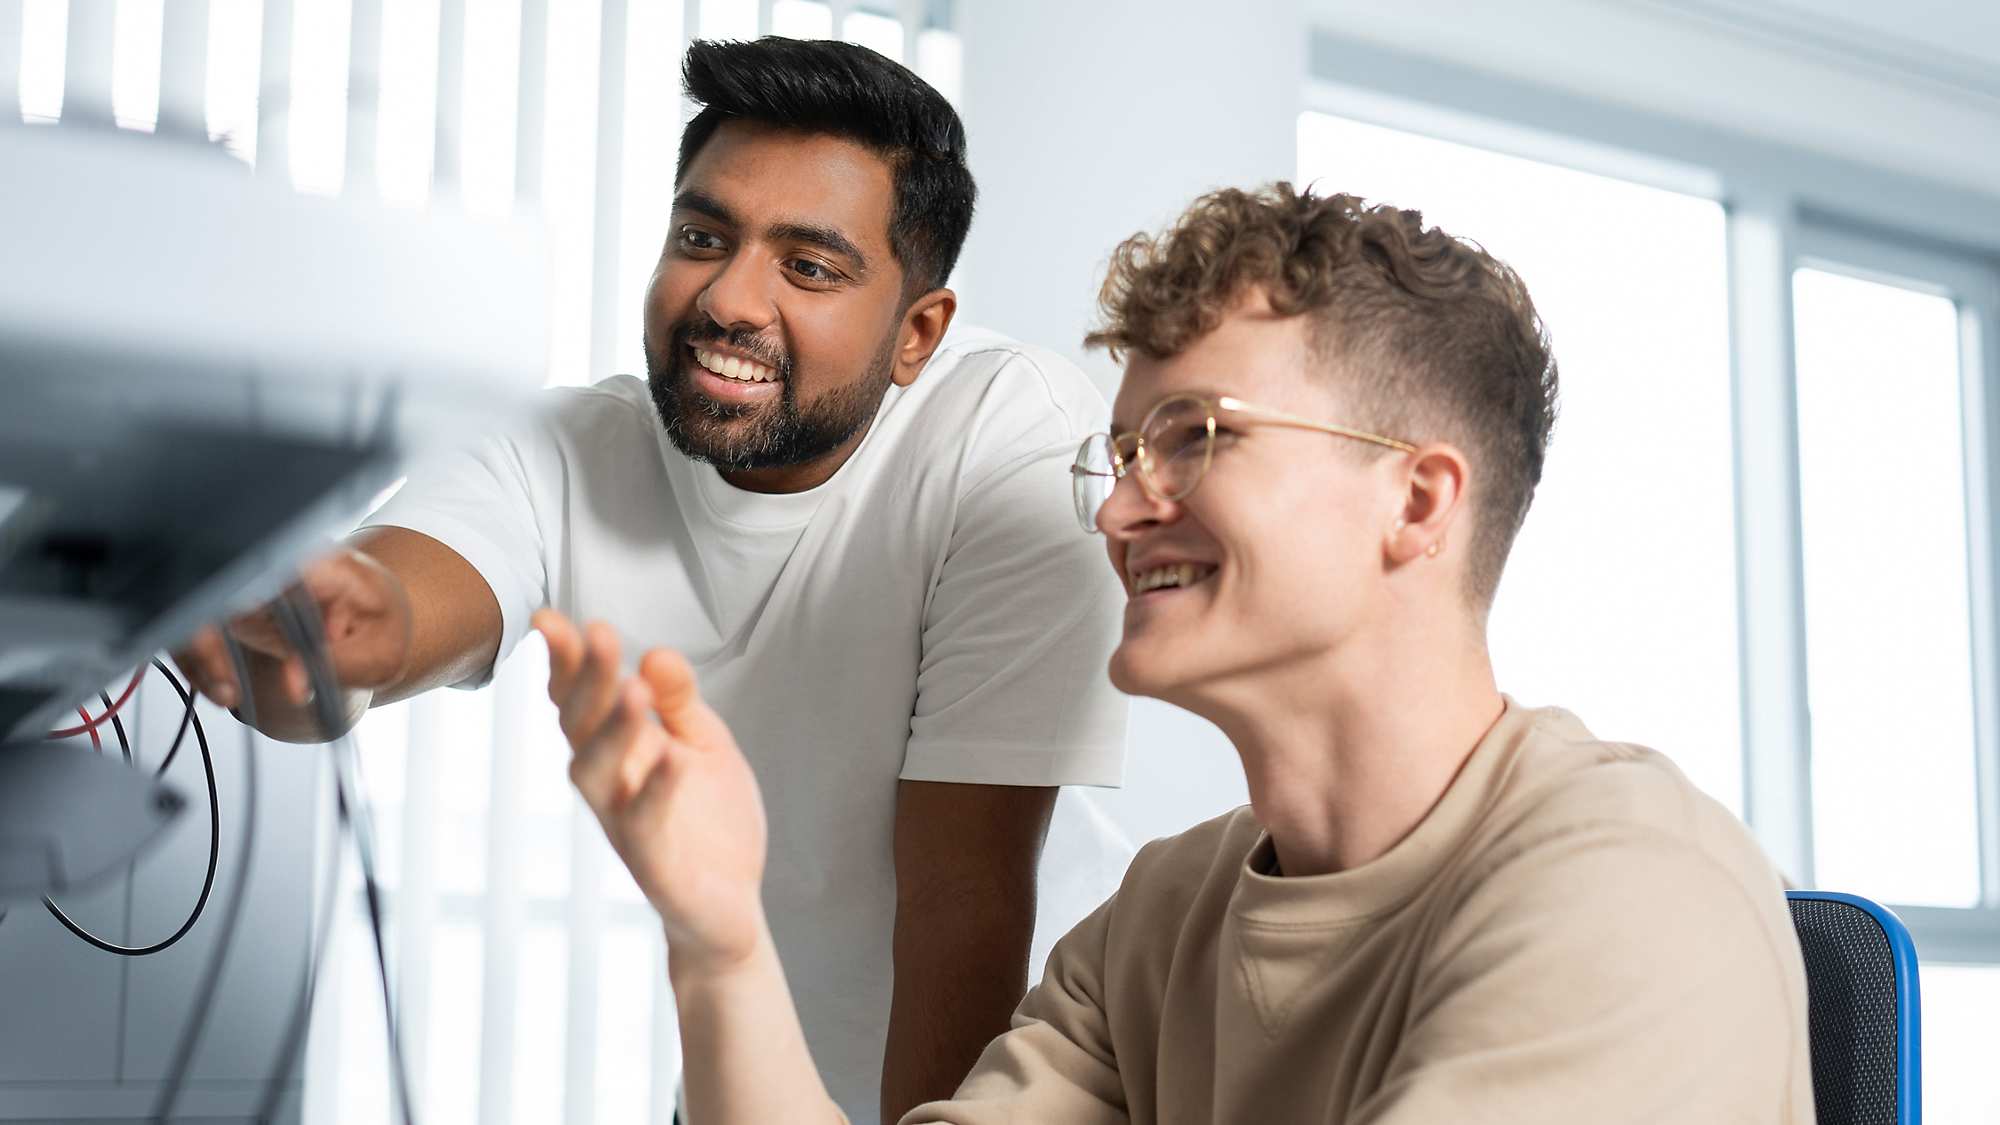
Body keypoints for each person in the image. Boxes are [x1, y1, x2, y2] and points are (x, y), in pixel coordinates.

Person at [547, 182, 1816, 1123]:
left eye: (1196, 435)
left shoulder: (1625, 890)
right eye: (1123, 451)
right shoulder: (1162, 918)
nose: (1115, 509)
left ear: (1417, 504)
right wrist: (718, 938)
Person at [171, 37, 1128, 1123]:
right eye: (701, 236)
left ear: (917, 332)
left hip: (1024, 1083)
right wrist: (316, 634)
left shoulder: (1008, 437)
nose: (728, 298)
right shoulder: (576, 444)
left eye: (807, 268)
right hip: (747, 1075)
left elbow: (964, 897)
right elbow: (379, 612)